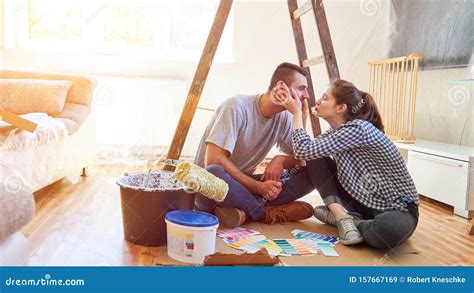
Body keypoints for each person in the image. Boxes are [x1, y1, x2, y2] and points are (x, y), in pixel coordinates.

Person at [272, 79, 419, 249]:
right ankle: (343, 217)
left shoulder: (358, 129)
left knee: (389, 232)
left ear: (341, 108)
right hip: (362, 202)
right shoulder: (333, 133)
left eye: (325, 98)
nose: (318, 101)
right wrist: (302, 116)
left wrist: (296, 113)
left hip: (397, 209)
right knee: (315, 156)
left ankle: (345, 222)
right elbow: (305, 154)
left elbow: (302, 150)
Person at [193, 62, 316, 228]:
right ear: (281, 86)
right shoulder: (235, 107)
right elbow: (213, 160)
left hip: (242, 186)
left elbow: (304, 159)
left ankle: (239, 208)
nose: (307, 95)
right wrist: (258, 187)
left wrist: (281, 158)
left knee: (313, 170)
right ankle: (265, 213)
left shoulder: (285, 118)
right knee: (214, 171)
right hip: (208, 186)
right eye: (302, 88)